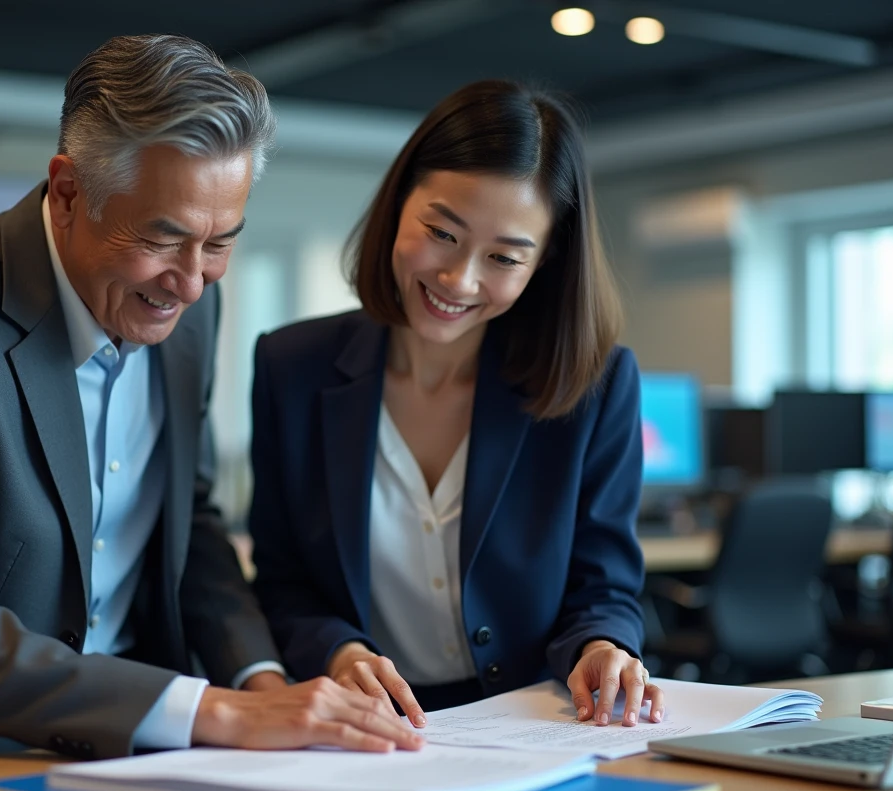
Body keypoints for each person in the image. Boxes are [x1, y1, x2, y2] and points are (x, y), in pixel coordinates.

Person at [0, 34, 422, 766]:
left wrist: (259, 682)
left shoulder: (188, 310)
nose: (192, 284)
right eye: (162, 240)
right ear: (68, 192)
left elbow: (186, 525)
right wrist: (218, 711)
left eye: (221, 243)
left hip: (134, 755)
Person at [249, 80, 665, 729]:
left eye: (503, 256)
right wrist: (337, 650)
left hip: (533, 723)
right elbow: (282, 579)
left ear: (545, 261)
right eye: (442, 233)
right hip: (364, 723)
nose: (458, 279)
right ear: (399, 202)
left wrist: (602, 646)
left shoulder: (596, 383)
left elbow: (602, 584)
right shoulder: (291, 367)